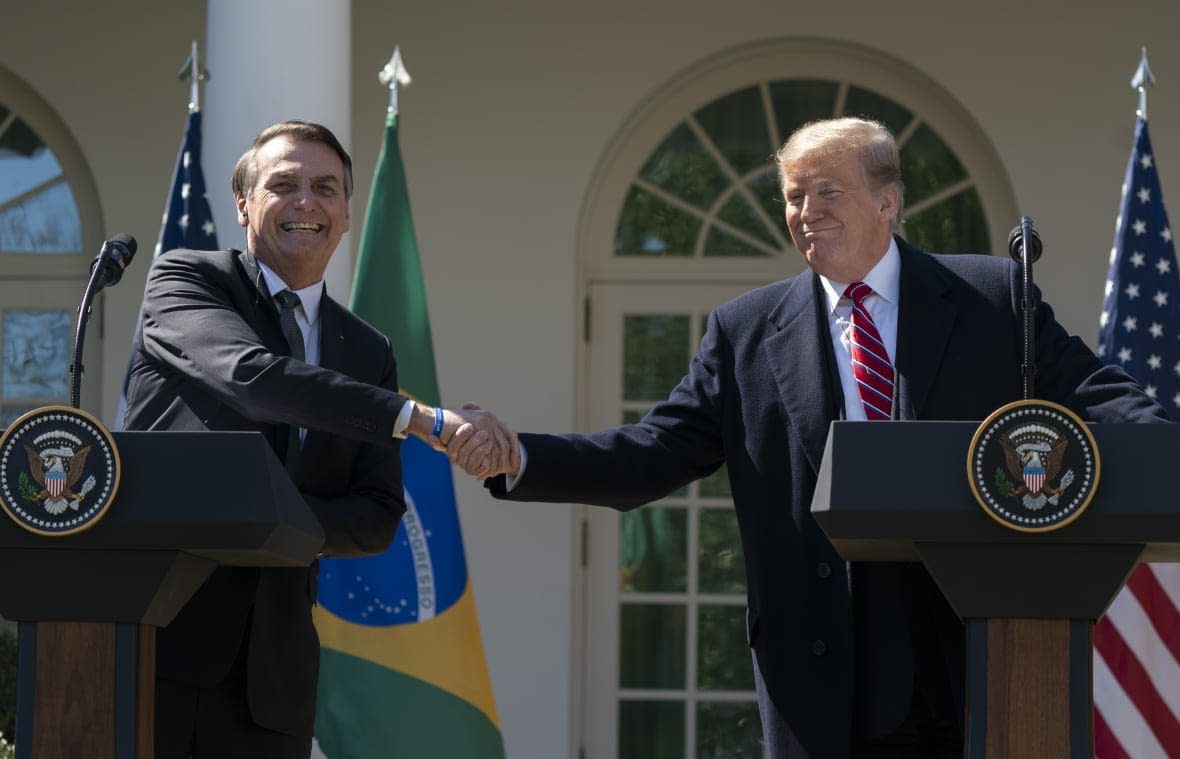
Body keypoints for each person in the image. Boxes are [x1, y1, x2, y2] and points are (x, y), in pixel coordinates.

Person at [449, 117, 1169, 758]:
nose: (804, 212)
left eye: (827, 192)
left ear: (888, 202)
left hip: (975, 651)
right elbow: (652, 453)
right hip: (824, 671)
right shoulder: (745, 332)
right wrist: (524, 456)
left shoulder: (990, 296)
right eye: (793, 196)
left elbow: (1099, 393)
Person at [123, 120, 514, 759]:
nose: (308, 201)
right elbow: (252, 379)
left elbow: (377, 518)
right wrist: (424, 420)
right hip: (160, 650)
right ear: (244, 204)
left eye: (326, 188)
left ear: (347, 215)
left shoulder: (366, 350)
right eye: (284, 184)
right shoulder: (186, 283)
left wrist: (253, 520)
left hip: (274, 683)